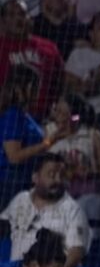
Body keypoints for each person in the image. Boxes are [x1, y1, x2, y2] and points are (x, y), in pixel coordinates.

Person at [0, 152, 89, 267]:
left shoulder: (74, 211)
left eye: (61, 176)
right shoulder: (21, 200)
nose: (57, 180)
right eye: (51, 175)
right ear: (35, 177)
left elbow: (76, 252)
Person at [0, 64, 67, 209]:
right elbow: (14, 156)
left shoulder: (25, 115)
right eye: (35, 87)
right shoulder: (13, 115)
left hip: (23, 183)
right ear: (20, 88)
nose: (38, 92)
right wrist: (47, 143)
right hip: (8, 186)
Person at [45, 93, 100, 224]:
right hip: (56, 195)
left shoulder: (92, 135)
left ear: (74, 115)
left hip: (87, 195)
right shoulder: (48, 133)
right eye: (56, 111)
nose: (57, 116)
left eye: (63, 113)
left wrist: (89, 172)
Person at [0, 0, 64, 118]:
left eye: (22, 14)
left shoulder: (49, 48)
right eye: (12, 14)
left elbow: (60, 83)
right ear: (2, 21)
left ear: (30, 18)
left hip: (45, 118)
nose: (18, 19)